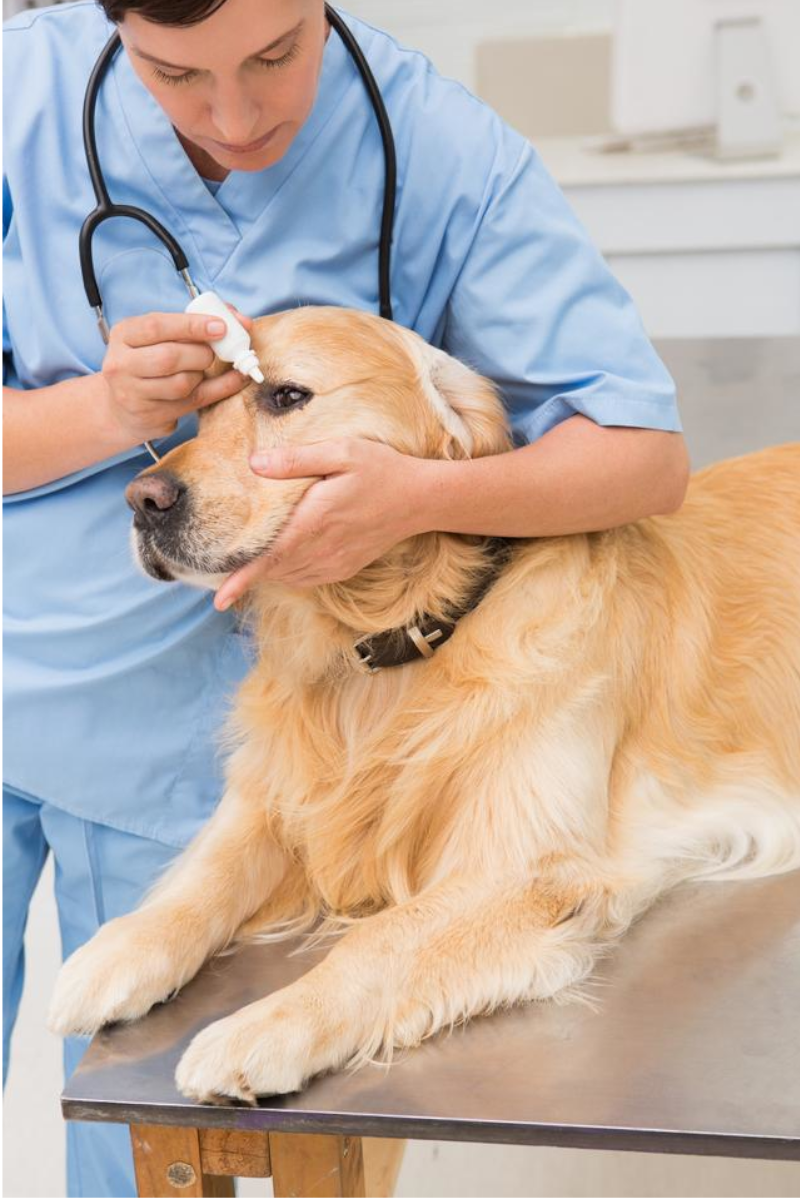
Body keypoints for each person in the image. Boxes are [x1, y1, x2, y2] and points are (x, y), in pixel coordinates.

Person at [2, 1, 689, 1194]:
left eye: (275, 57)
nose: (234, 115)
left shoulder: (434, 147)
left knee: (149, 1149)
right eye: (173, 75)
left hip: (223, 741)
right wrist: (105, 414)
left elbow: (642, 456)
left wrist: (414, 498)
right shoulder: (18, 97)